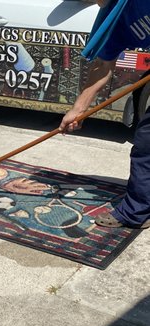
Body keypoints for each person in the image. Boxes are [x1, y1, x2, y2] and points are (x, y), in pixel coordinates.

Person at [59, 0, 150, 229]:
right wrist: (78, 109)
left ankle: (134, 212)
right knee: (147, 143)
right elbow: (102, 66)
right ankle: (137, 211)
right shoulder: (111, 21)